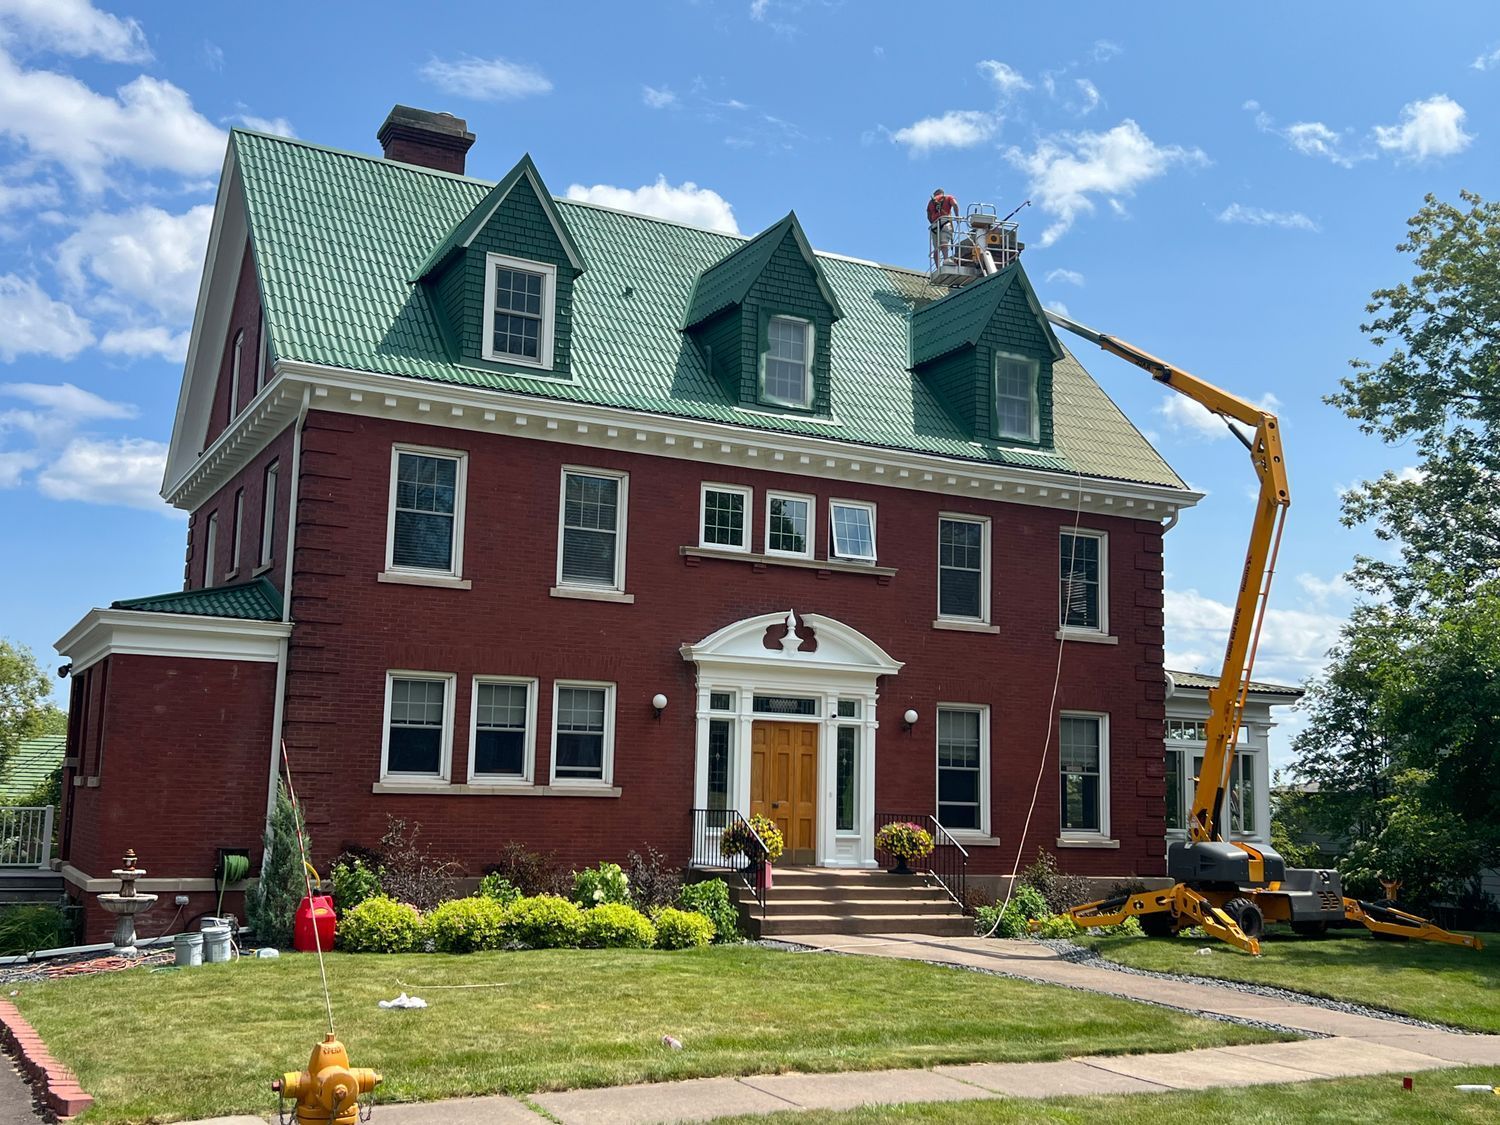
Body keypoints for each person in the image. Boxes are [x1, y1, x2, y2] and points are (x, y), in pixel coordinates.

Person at [927, 188, 959, 268]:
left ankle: (937, 267)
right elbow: (955, 204)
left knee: (936, 248)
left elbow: (928, 216)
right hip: (945, 222)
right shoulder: (948, 197)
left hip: (934, 226)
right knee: (944, 242)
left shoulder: (931, 202)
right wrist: (957, 217)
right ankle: (946, 260)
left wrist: (933, 222)